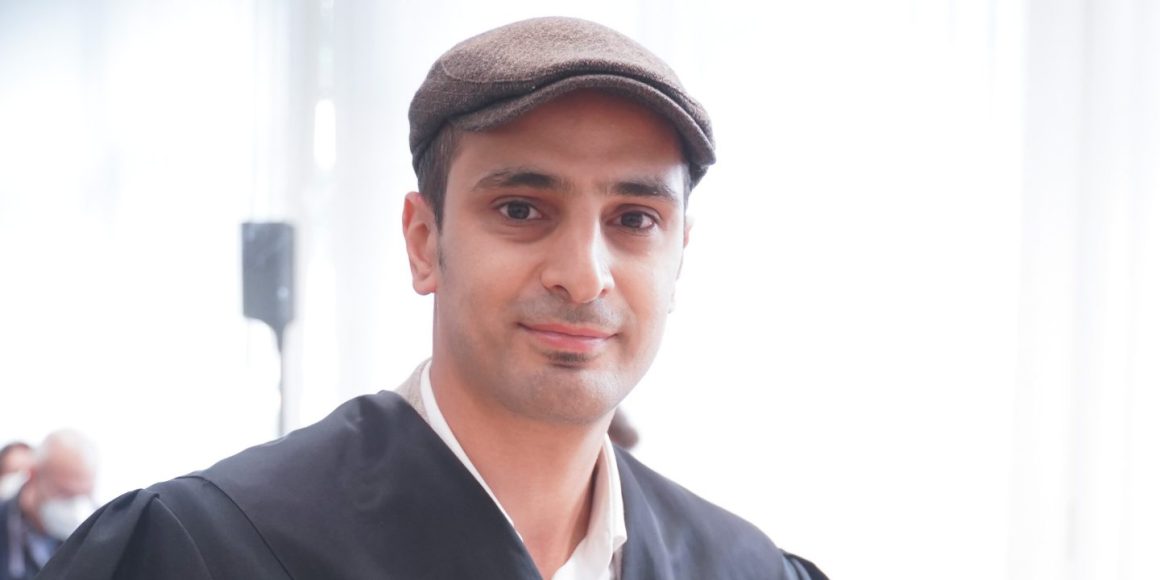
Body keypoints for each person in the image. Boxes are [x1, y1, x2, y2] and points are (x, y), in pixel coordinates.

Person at [39, 17, 827, 579]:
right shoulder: (209, 550)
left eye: (635, 220)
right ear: (423, 242)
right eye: (521, 209)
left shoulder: (743, 567)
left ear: (679, 256)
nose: (584, 275)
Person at [0, 431, 96, 580]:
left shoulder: (96, 534)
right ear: (33, 475)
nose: (74, 506)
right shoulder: (6, 525)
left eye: (84, 495)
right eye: (65, 493)